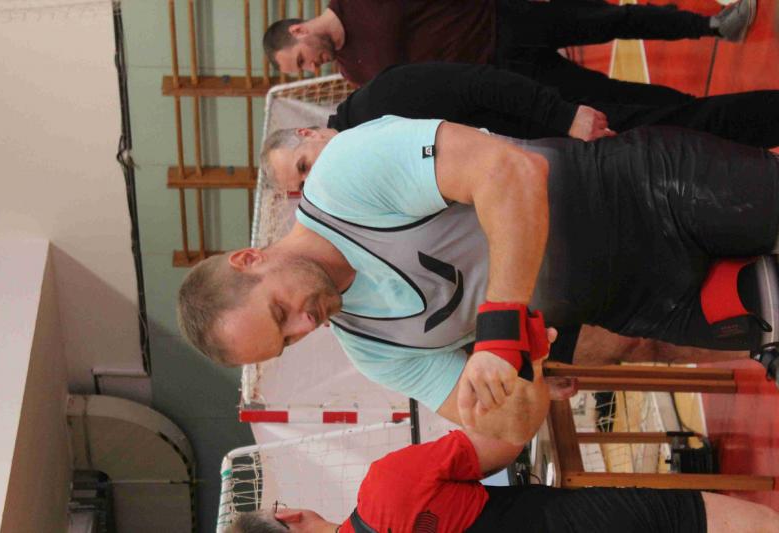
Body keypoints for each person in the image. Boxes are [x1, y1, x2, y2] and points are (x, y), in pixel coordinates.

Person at [177, 117, 779, 435]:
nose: (305, 325)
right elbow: (511, 424)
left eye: (280, 312)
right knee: (767, 320)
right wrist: (517, 384)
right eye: (288, 340)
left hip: (644, 193)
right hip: (643, 303)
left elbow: (510, 172)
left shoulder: (343, 179)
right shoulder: (373, 350)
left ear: (249, 258)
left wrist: (499, 332)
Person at [223, 420, 779, 532]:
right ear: (290, 515)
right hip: (586, 524)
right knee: (695, 518)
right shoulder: (386, 487)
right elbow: (504, 441)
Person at [262, 0, 756, 106]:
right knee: (612, 99)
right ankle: (711, 115)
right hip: (502, 77)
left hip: (507, 20)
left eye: (301, 60)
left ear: (300, 30)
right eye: (302, 71)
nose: (311, 67)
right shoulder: (356, 74)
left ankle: (712, 25)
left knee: (610, 21)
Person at [327, 62, 779, 148]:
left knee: (688, 126)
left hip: (562, 127)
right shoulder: (368, 135)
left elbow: (479, 84)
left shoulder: (379, 101)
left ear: (309, 133)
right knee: (687, 132)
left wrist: (564, 116)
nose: (316, 174)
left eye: (305, 166)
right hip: (559, 149)